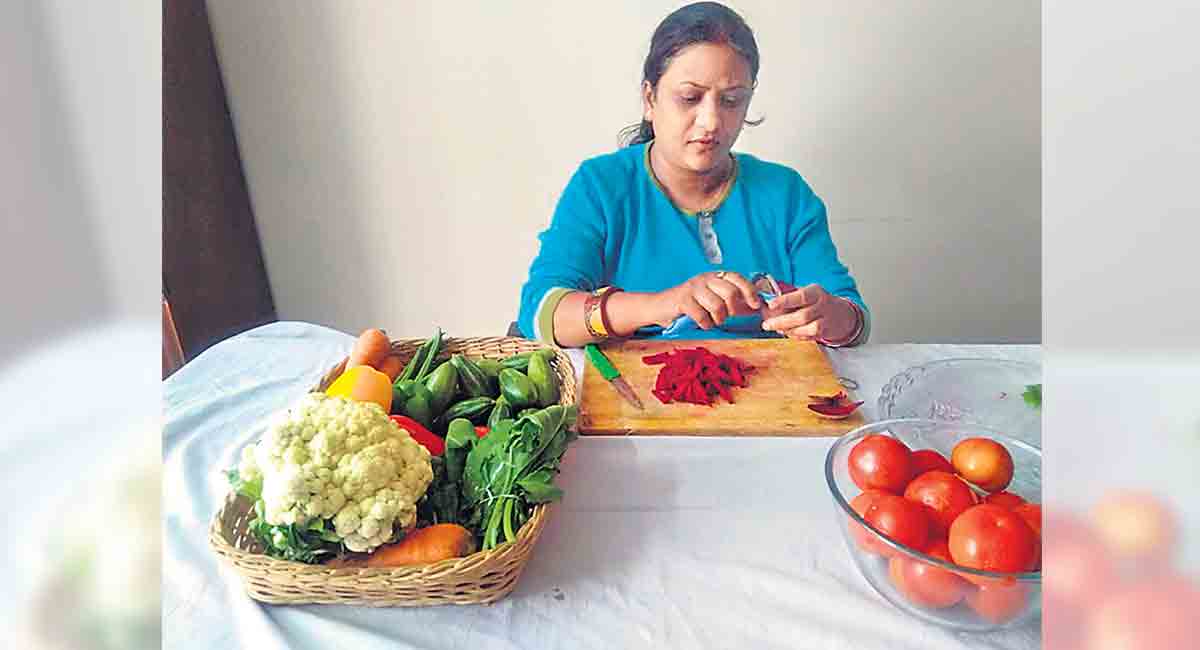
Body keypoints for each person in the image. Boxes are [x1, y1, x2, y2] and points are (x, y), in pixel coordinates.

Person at [517, 1, 869, 348]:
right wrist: (664, 304)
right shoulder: (601, 186)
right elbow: (542, 313)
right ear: (650, 99)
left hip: (769, 379)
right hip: (628, 381)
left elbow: (854, 319)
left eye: (731, 101)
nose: (711, 121)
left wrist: (833, 317)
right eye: (689, 97)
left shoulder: (786, 194)